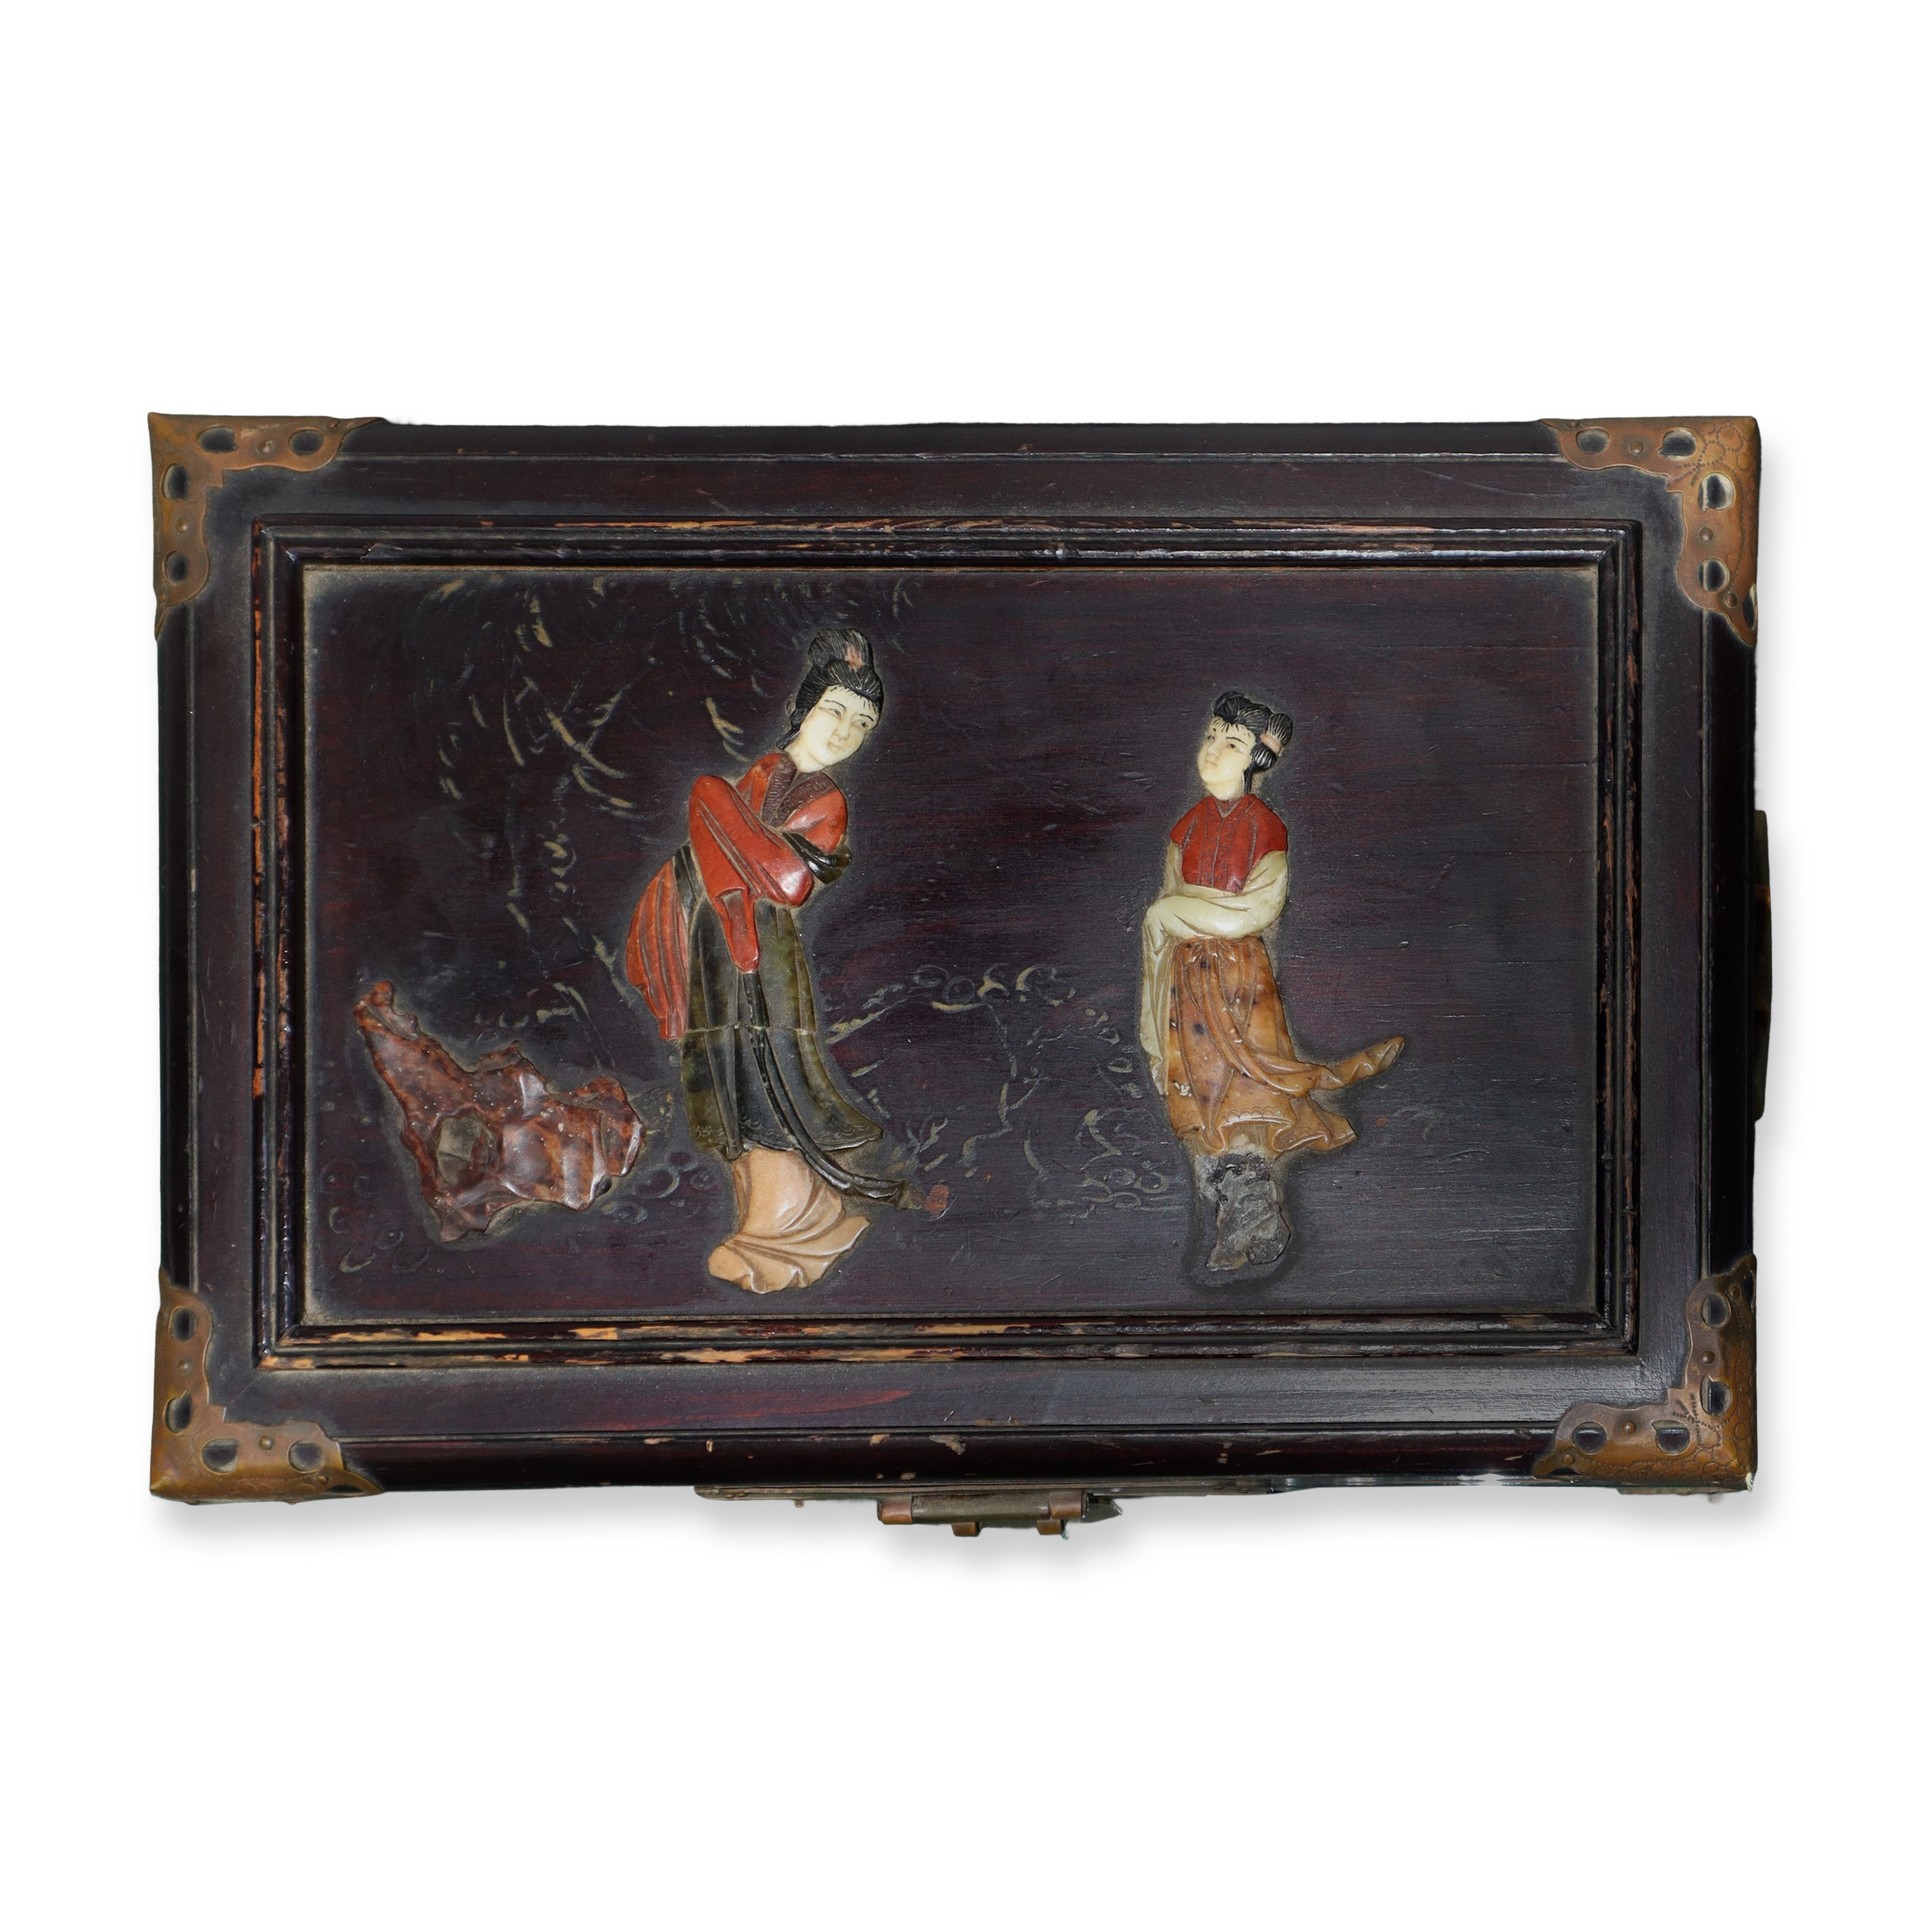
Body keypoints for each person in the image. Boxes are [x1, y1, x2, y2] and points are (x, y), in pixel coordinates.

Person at [626, 630, 943, 1292]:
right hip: (715, 946)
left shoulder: (824, 801)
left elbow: (789, 881)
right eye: (836, 711)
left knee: (768, 1071)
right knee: (723, 1073)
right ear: (804, 709)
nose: (846, 732)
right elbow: (706, 861)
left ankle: (786, 1228)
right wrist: (715, 825)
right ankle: (758, 1223)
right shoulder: (761, 778)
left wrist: (713, 804)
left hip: (762, 949)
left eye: (862, 724)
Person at [1140, 690, 1402, 1277]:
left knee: (1246, 1083)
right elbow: (1172, 894)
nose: (1213, 751)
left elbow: (1256, 908)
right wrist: (1176, 915)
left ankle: (1254, 1212)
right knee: (1198, 1083)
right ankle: (1234, 1212)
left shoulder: (1264, 827)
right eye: (1211, 736)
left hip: (1237, 975)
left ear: (1257, 759)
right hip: (1188, 975)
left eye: (1231, 744)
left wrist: (1177, 913)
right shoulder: (1187, 827)